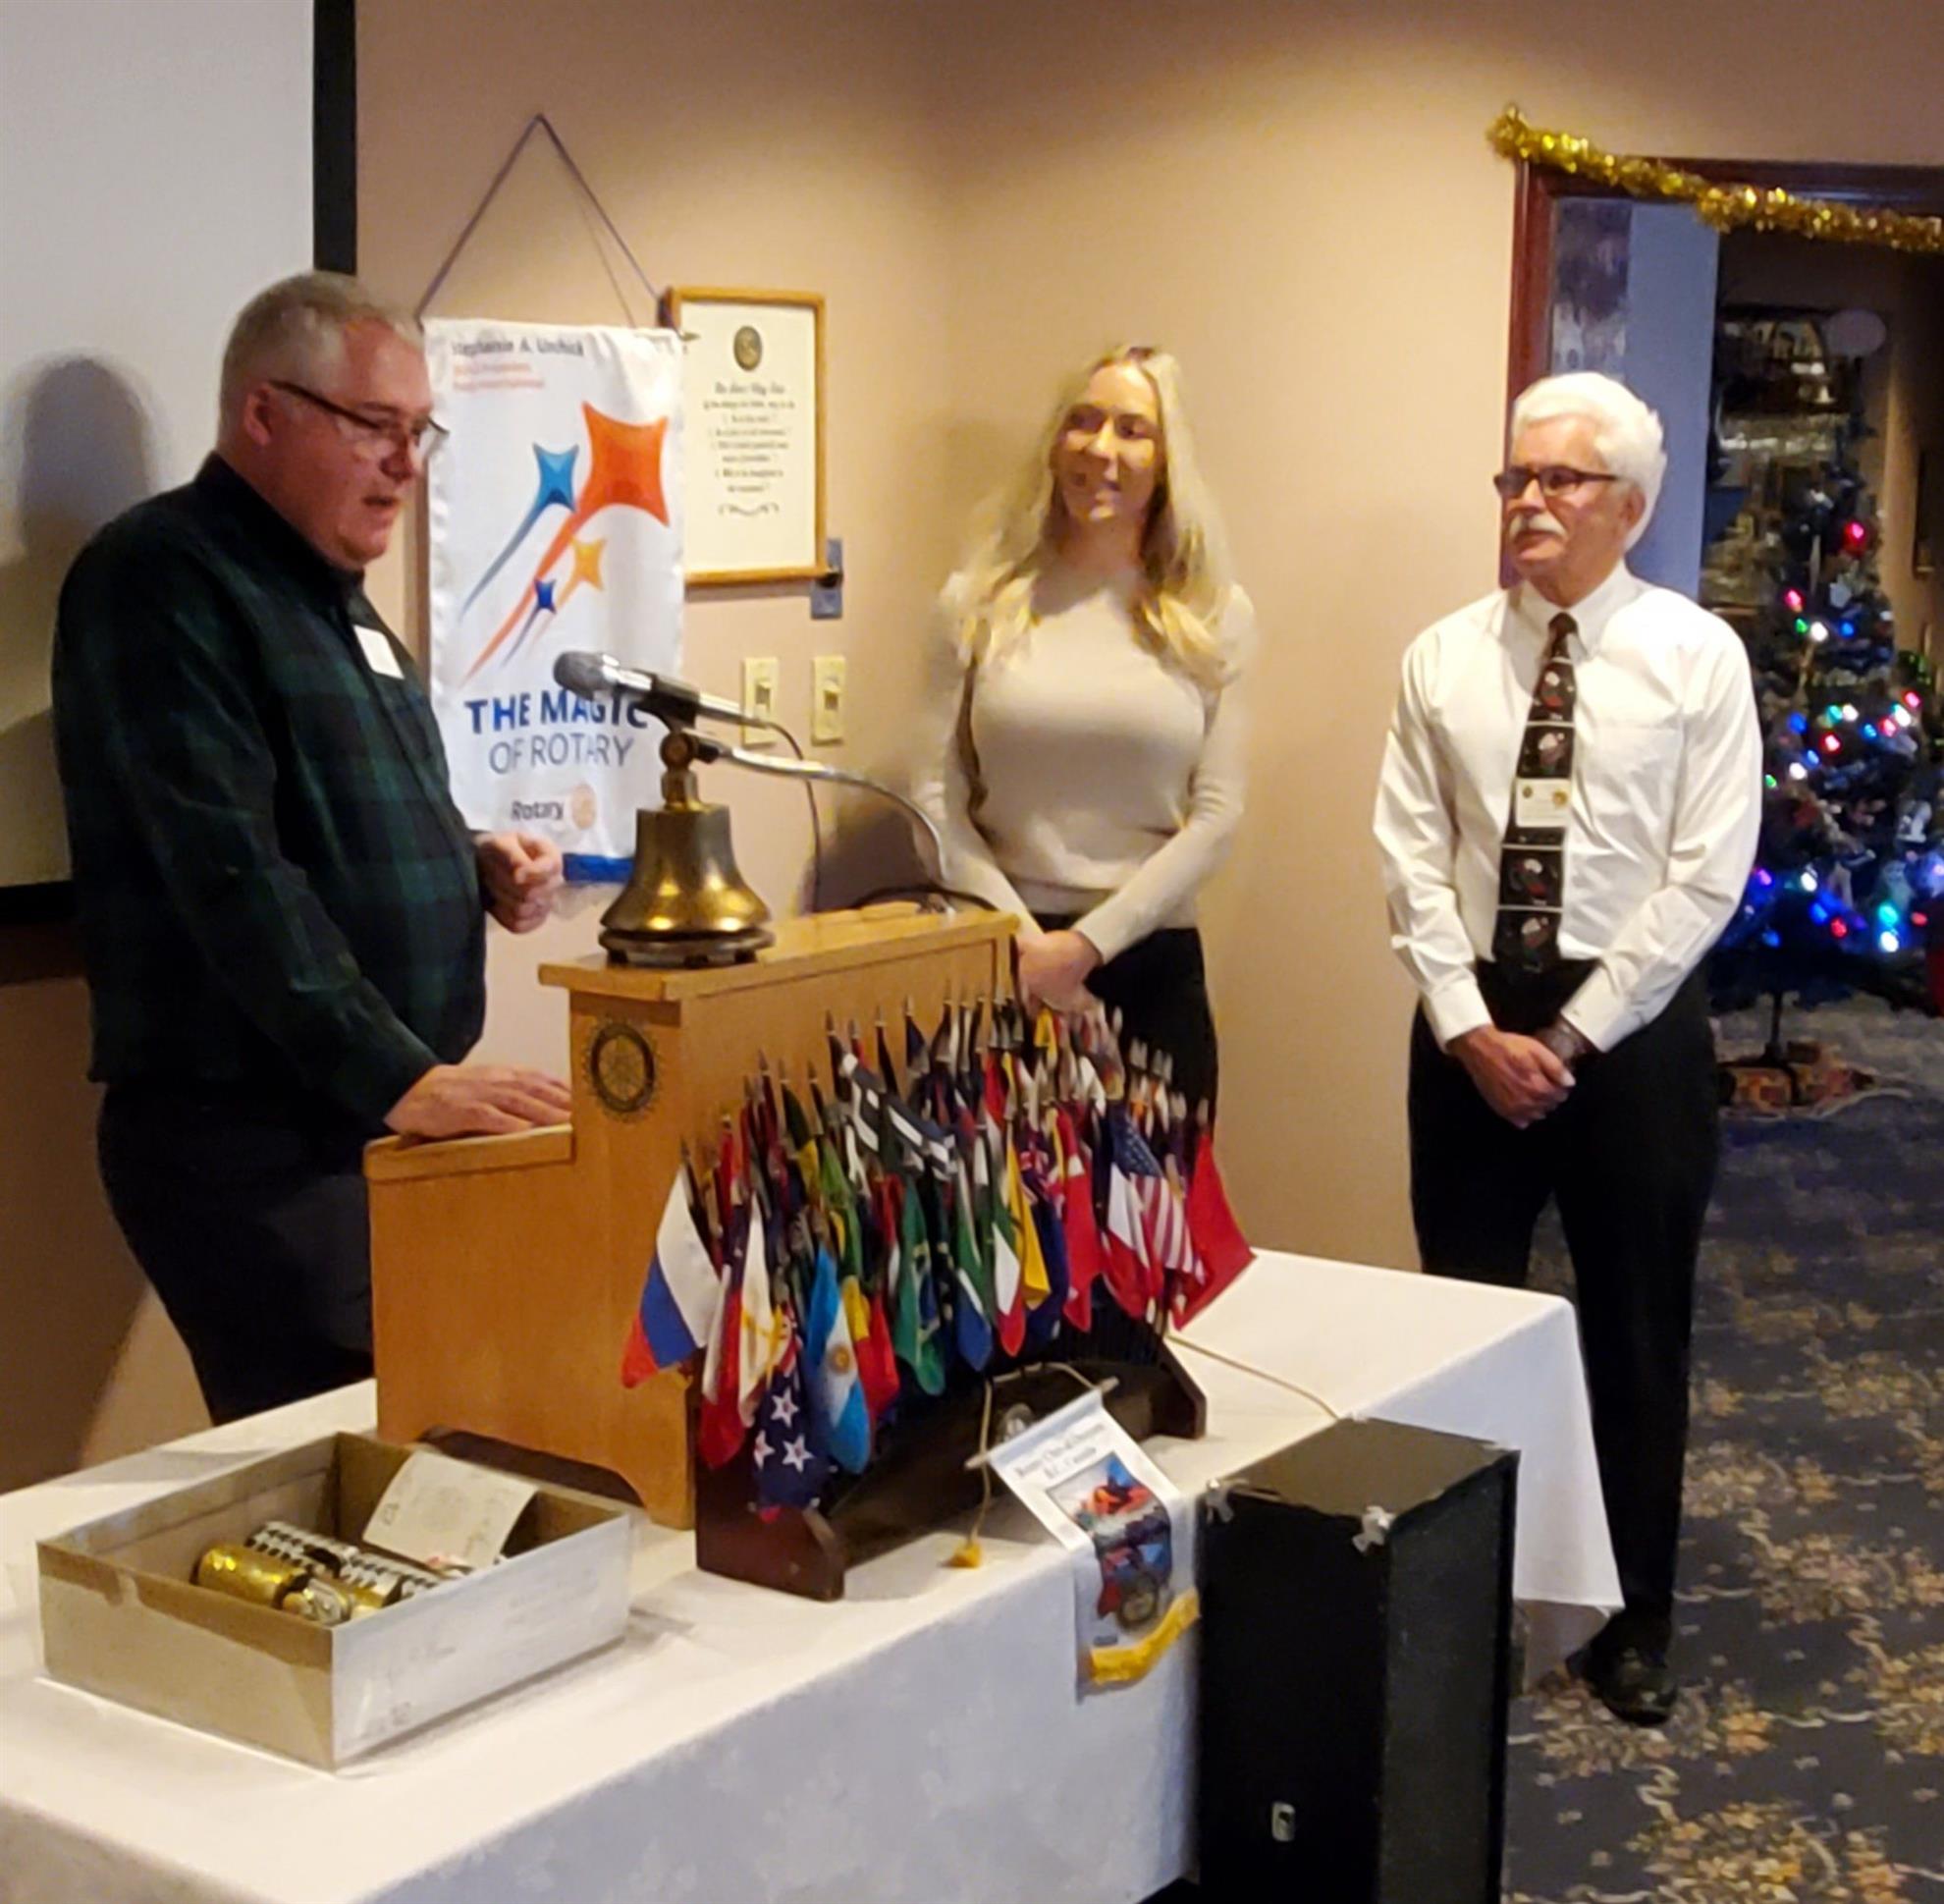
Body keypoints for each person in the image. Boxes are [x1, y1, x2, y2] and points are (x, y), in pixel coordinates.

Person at [52, 271, 573, 1425]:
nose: (406, 464)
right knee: (380, 1461)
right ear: (263, 414)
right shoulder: (162, 580)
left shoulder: (338, 602)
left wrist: (470, 862)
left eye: (419, 431)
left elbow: (327, 813)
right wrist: (403, 1078)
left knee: (439, 1449)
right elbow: (229, 873)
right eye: (375, 426)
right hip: (254, 1143)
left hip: (370, 1122)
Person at [1373, 371, 1762, 1725]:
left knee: (1635, 1335)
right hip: (1470, 1027)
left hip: (1633, 1033)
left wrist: (1579, 1032)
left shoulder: (1696, 656)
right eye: (1516, 477)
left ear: (1630, 506)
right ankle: (1465, 1594)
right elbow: (1410, 856)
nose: (1528, 501)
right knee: (1466, 1324)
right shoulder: (1442, 657)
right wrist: (1468, 1023)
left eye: (1561, 479)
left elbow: (1706, 874)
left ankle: (1630, 1618)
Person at [916, 346, 1252, 1114]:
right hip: (1003, 957)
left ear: (1166, 462)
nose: (1101, 449)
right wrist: (1029, 946)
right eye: (1084, 422)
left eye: (1132, 430)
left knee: (1156, 1193)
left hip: (1151, 967)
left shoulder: (1213, 615)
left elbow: (1218, 814)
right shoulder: (975, 602)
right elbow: (931, 794)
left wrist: (1086, 947)